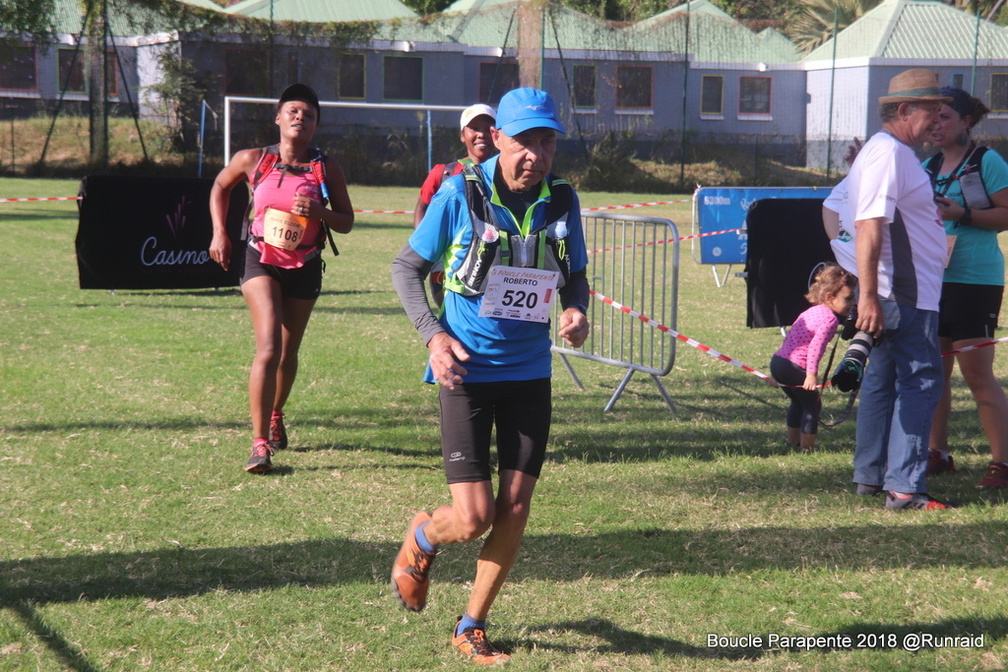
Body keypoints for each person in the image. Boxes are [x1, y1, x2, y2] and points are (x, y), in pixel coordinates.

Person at [389, 87, 590, 665]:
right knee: (474, 517)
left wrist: (576, 310)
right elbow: (406, 268)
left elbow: (574, 273)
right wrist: (434, 337)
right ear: (497, 138)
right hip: (467, 371)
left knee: (516, 508)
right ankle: (423, 537)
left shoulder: (562, 200)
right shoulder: (460, 193)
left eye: (546, 142)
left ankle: (471, 623)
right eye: (524, 141)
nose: (536, 155)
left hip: (529, 372)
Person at [208, 83, 354, 474]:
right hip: (260, 259)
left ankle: (276, 414)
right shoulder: (253, 159)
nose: (300, 118)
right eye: (293, 111)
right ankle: (259, 445)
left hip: (305, 264)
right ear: (278, 117)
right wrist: (220, 233)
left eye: (309, 115)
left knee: (288, 353)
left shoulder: (326, 168)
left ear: (316, 125)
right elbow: (220, 186)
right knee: (269, 348)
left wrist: (320, 212)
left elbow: (347, 222)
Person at [846, 69, 952, 510]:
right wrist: (870, 296)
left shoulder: (887, 152)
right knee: (921, 381)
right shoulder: (889, 153)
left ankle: (872, 477)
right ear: (904, 110)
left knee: (883, 380)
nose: (938, 121)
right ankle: (905, 488)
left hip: (898, 291)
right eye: (932, 111)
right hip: (906, 294)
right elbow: (869, 224)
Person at [925, 87, 1008, 489]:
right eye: (932, 117)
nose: (935, 124)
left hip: (975, 279)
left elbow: (1006, 215)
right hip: (933, 279)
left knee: (977, 375)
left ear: (966, 121)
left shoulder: (986, 161)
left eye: (944, 117)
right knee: (933, 373)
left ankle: (1002, 463)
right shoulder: (928, 165)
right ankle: (937, 454)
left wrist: (963, 214)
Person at [413, 104, 498, 308]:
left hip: (495, 261)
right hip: (448, 262)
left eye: (488, 128)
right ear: (462, 135)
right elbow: (422, 207)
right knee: (448, 311)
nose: (481, 134)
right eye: (474, 128)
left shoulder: (509, 176)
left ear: (498, 135)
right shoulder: (445, 174)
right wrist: (430, 247)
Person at [770, 264, 856, 451]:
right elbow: (815, 348)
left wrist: (777, 374)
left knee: (797, 402)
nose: (853, 303)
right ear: (829, 297)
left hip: (779, 362)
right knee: (812, 405)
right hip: (796, 367)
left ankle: (793, 441)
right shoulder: (830, 320)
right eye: (848, 298)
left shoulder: (811, 311)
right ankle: (807, 448)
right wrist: (811, 375)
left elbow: (790, 338)